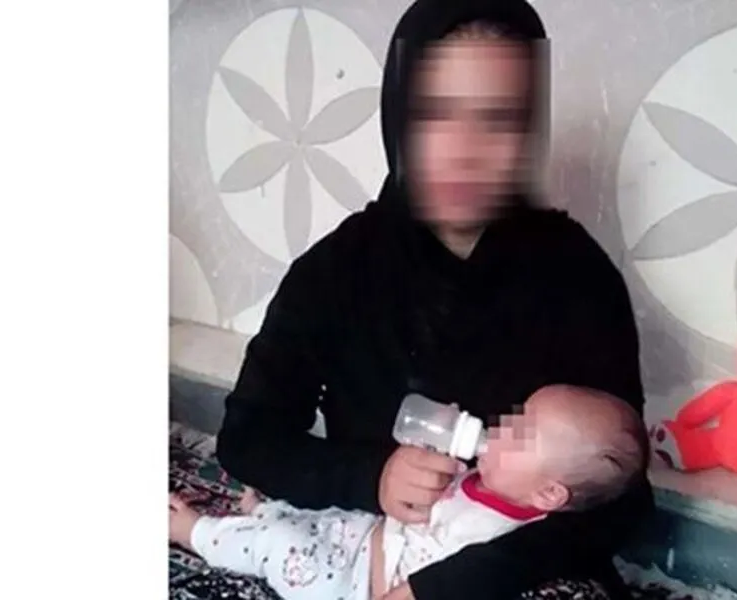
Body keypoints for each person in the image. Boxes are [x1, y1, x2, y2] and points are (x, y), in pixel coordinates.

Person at [214, 1, 655, 599]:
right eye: (435, 114)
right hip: (374, 549)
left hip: (517, 568)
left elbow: (621, 495)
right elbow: (249, 439)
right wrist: (371, 476)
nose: (464, 149)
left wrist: (451, 586)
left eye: (497, 119)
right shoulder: (335, 272)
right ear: (398, 118)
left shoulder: (577, 274)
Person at [171, 386, 645, 600]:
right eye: (515, 414)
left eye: (522, 433)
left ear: (548, 495)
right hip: (369, 532)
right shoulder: (488, 478)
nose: (501, 425)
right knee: (316, 510)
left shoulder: (502, 537)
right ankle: (267, 511)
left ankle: (197, 531)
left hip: (356, 583)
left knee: (280, 546)